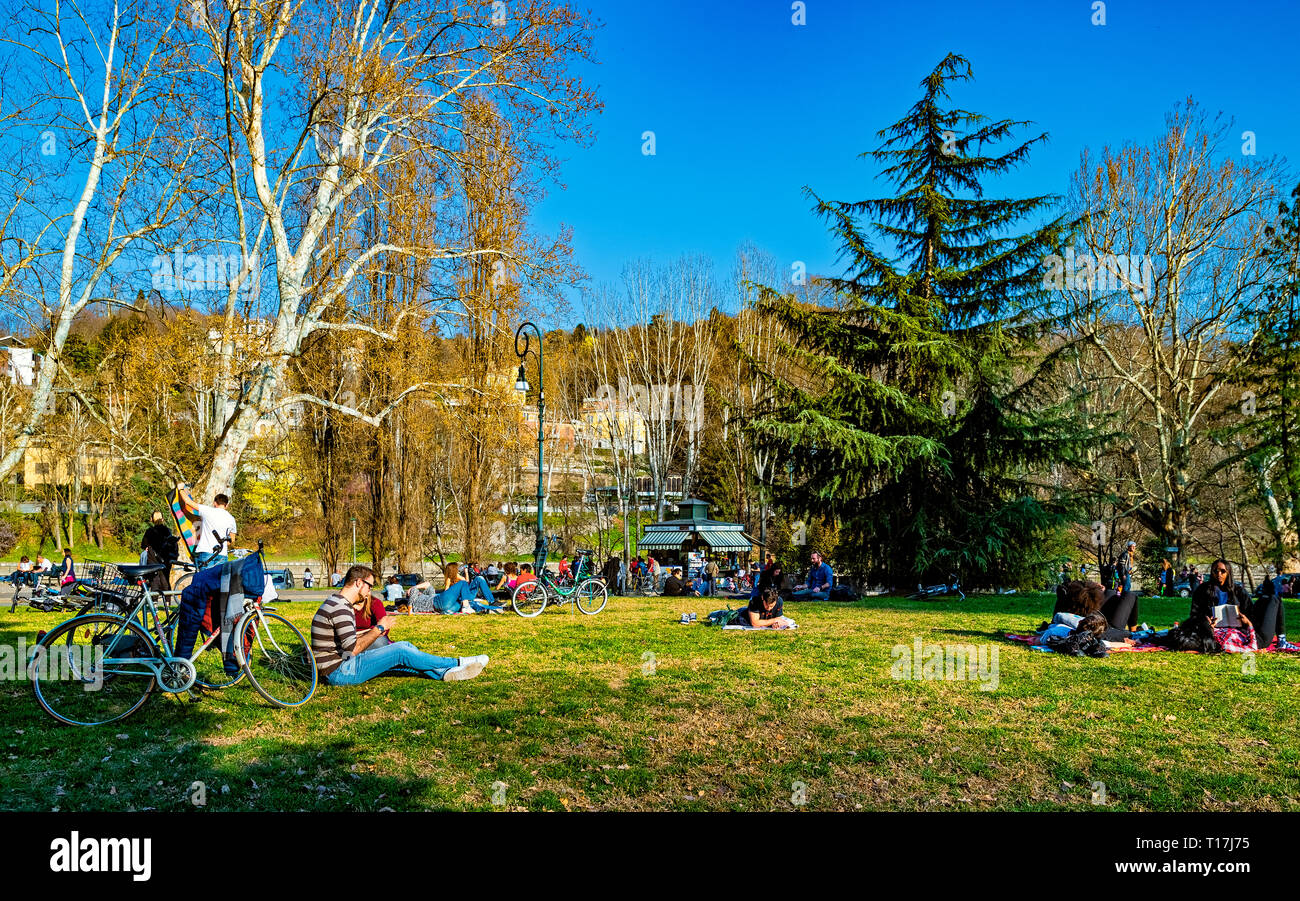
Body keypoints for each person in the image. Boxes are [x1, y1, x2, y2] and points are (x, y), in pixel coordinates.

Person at [311, 565, 488, 686]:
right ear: (358, 583)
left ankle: (444, 673)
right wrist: (379, 628)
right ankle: (459, 662)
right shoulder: (342, 608)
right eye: (369, 586)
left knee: (403, 648)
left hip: (338, 666)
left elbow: (344, 643)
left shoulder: (334, 601)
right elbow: (353, 649)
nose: (369, 592)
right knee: (400, 651)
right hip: (341, 672)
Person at [1191, 558, 1297, 650]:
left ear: (1228, 573)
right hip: (1221, 634)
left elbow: (1251, 612)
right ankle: (1282, 641)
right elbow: (1194, 614)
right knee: (1274, 599)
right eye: (1215, 571)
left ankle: (1282, 640)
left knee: (1271, 599)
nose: (1219, 574)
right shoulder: (1202, 590)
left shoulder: (1238, 590)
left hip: (1243, 630)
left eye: (1223, 571)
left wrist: (1245, 621)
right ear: (1212, 572)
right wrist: (1206, 621)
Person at [179, 486, 237, 569]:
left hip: (206, 552)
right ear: (226, 505)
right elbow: (232, 540)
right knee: (218, 581)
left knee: (204, 580)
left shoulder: (207, 511)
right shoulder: (231, 519)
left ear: (214, 503)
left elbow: (188, 502)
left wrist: (180, 489)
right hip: (222, 554)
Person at [408, 563, 502, 614]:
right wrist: (413, 588)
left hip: (447, 606)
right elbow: (413, 594)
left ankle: (492, 605)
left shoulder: (428, 595)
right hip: (440, 602)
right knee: (463, 584)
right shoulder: (414, 596)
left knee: (479, 579)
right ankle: (466, 606)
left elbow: (428, 584)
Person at [140, 510, 176, 593]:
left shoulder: (149, 531)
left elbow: (144, 544)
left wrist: (147, 547)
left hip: (152, 557)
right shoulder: (167, 531)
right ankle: (167, 602)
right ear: (162, 519)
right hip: (165, 558)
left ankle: (155, 602)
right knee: (165, 579)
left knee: (154, 580)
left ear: (152, 519)